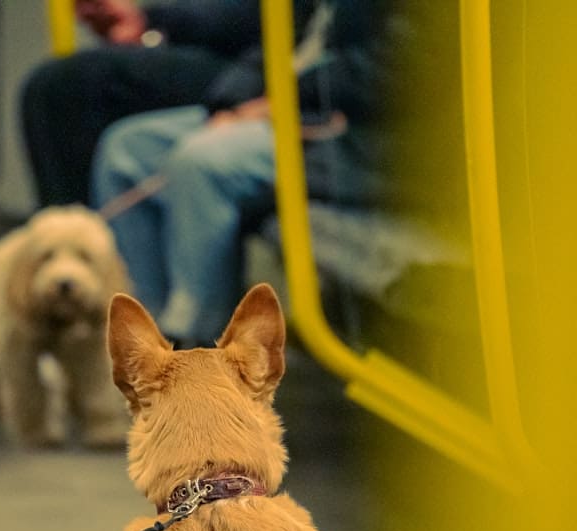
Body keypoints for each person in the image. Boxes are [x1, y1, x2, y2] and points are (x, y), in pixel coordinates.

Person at [91, 0, 408, 347]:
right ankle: (144, 337)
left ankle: (195, 346)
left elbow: (406, 63)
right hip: (283, 104)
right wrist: (230, 103)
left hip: (358, 129)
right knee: (129, 148)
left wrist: (286, 98)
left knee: (202, 161)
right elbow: (276, 37)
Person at [20, 0, 316, 208]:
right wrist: (148, 22)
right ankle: (62, 248)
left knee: (75, 85)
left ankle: (81, 258)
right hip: (235, 53)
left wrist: (157, 22)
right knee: (54, 88)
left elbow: (273, 18)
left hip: (271, 64)